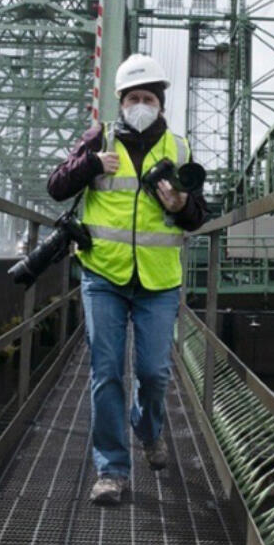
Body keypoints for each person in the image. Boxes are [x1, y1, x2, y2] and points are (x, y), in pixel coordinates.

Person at [47, 53, 208, 505]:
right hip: (103, 274)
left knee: (155, 374)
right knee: (106, 373)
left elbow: (199, 216)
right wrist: (92, 165)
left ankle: (148, 428)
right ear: (121, 101)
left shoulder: (178, 148)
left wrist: (179, 207)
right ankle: (112, 470)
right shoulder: (98, 139)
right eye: (134, 97)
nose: (141, 104)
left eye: (149, 98)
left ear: (160, 103)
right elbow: (56, 186)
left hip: (158, 279)